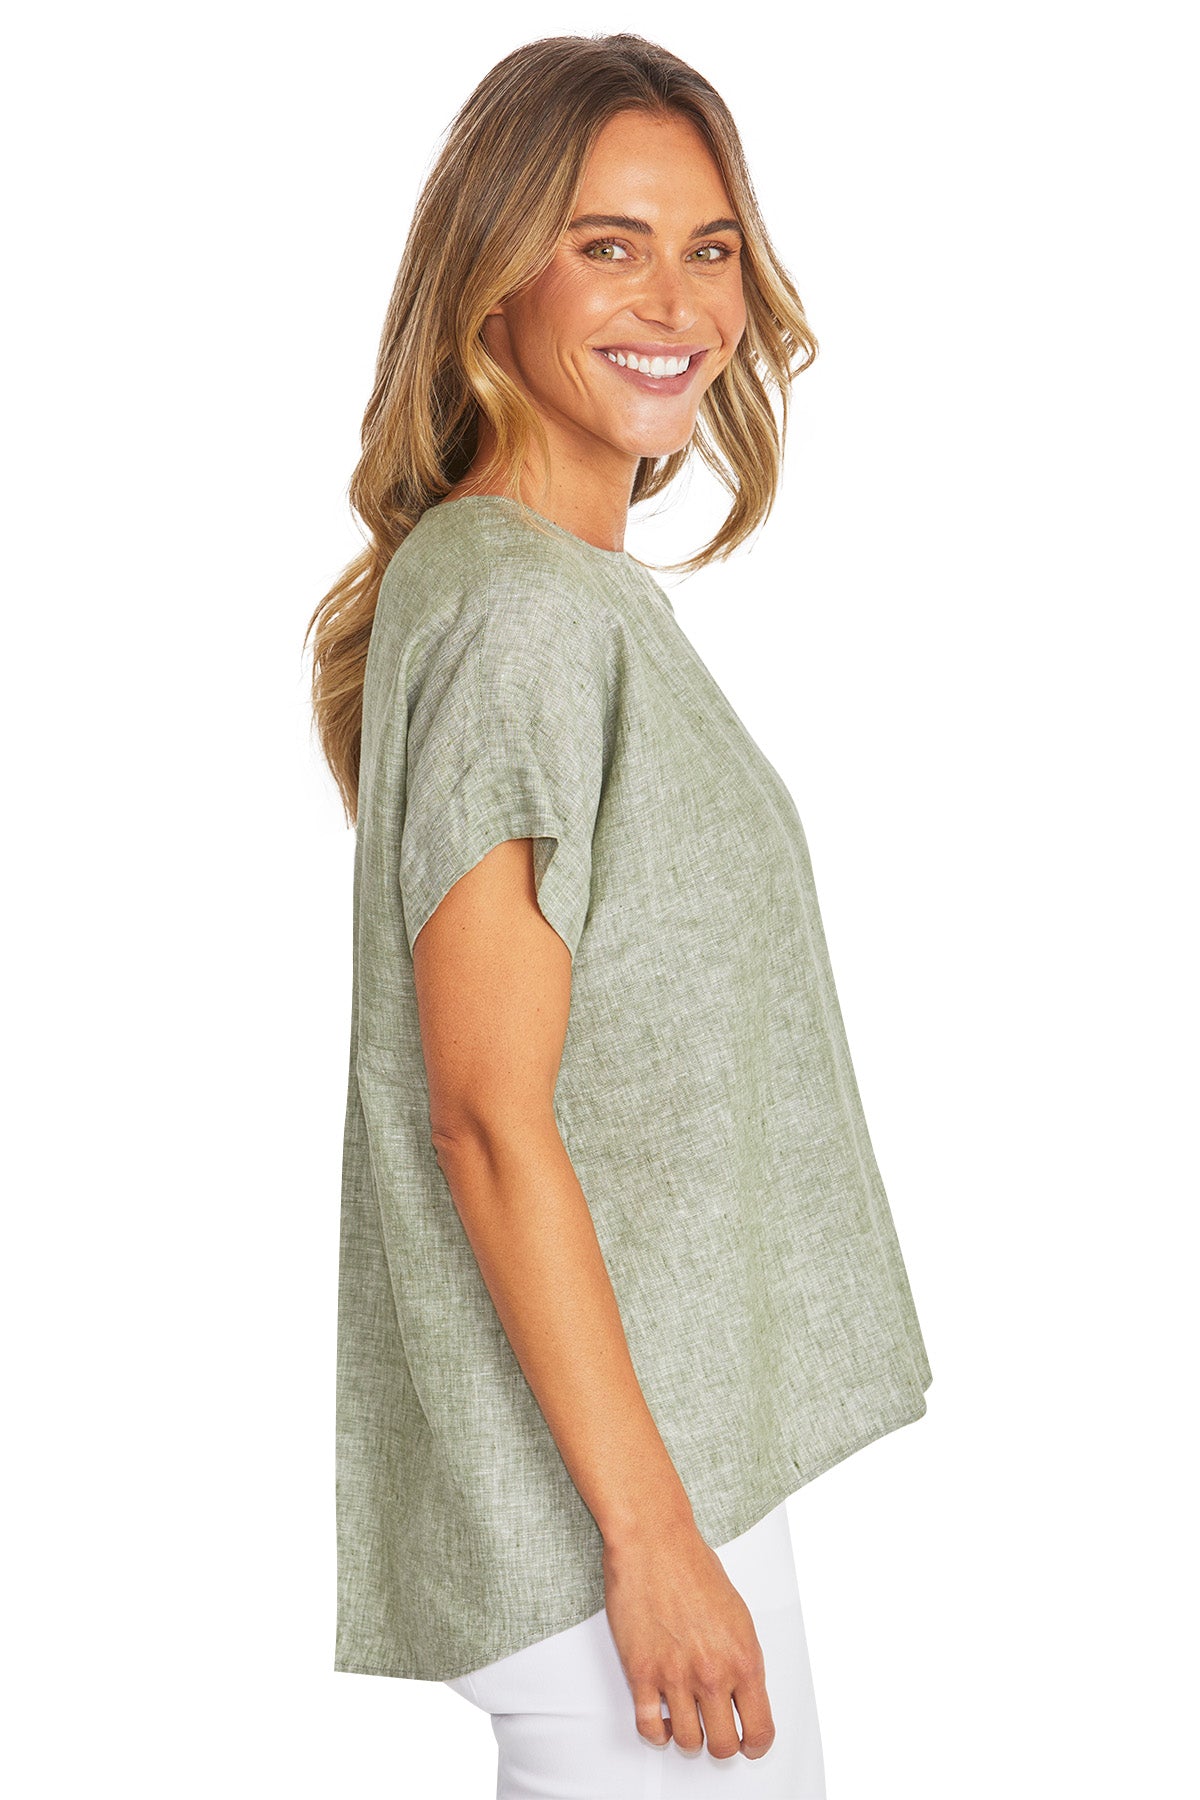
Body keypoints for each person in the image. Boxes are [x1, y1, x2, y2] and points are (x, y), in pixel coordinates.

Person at [307, 31, 933, 1800]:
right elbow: (486, 1119)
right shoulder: (519, 612)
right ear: (493, 277)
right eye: (608, 244)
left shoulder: (551, 592)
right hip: (600, 1517)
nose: (679, 300)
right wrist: (651, 1542)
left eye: (710, 246)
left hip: (644, 1463)